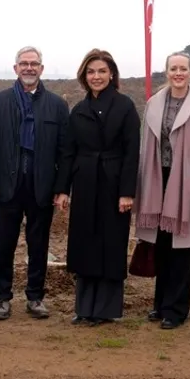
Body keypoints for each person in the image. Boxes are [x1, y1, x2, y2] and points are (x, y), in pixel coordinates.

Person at [0, 46, 70, 321]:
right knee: (4, 244)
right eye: (24, 63)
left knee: (39, 243)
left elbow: (64, 151)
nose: (29, 68)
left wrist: (62, 188)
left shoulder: (57, 105)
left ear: (41, 69)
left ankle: (35, 296)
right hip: (8, 186)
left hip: (41, 186)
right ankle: (2, 297)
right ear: (15, 68)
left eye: (34, 64)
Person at [55, 49, 141, 325]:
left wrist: (128, 192)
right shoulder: (79, 110)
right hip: (85, 182)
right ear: (84, 76)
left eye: (102, 71)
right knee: (84, 243)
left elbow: (132, 151)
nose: (96, 76)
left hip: (114, 184)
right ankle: (84, 308)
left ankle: (105, 310)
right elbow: (67, 152)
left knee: (110, 244)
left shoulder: (125, 106)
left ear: (112, 74)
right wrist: (63, 189)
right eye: (91, 72)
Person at [133, 52, 190, 329]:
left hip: (187, 183)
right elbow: (146, 148)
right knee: (161, 246)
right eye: (173, 68)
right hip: (158, 180)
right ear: (166, 72)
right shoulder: (153, 103)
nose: (178, 73)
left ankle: (176, 309)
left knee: (182, 248)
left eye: (183, 68)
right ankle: (160, 304)